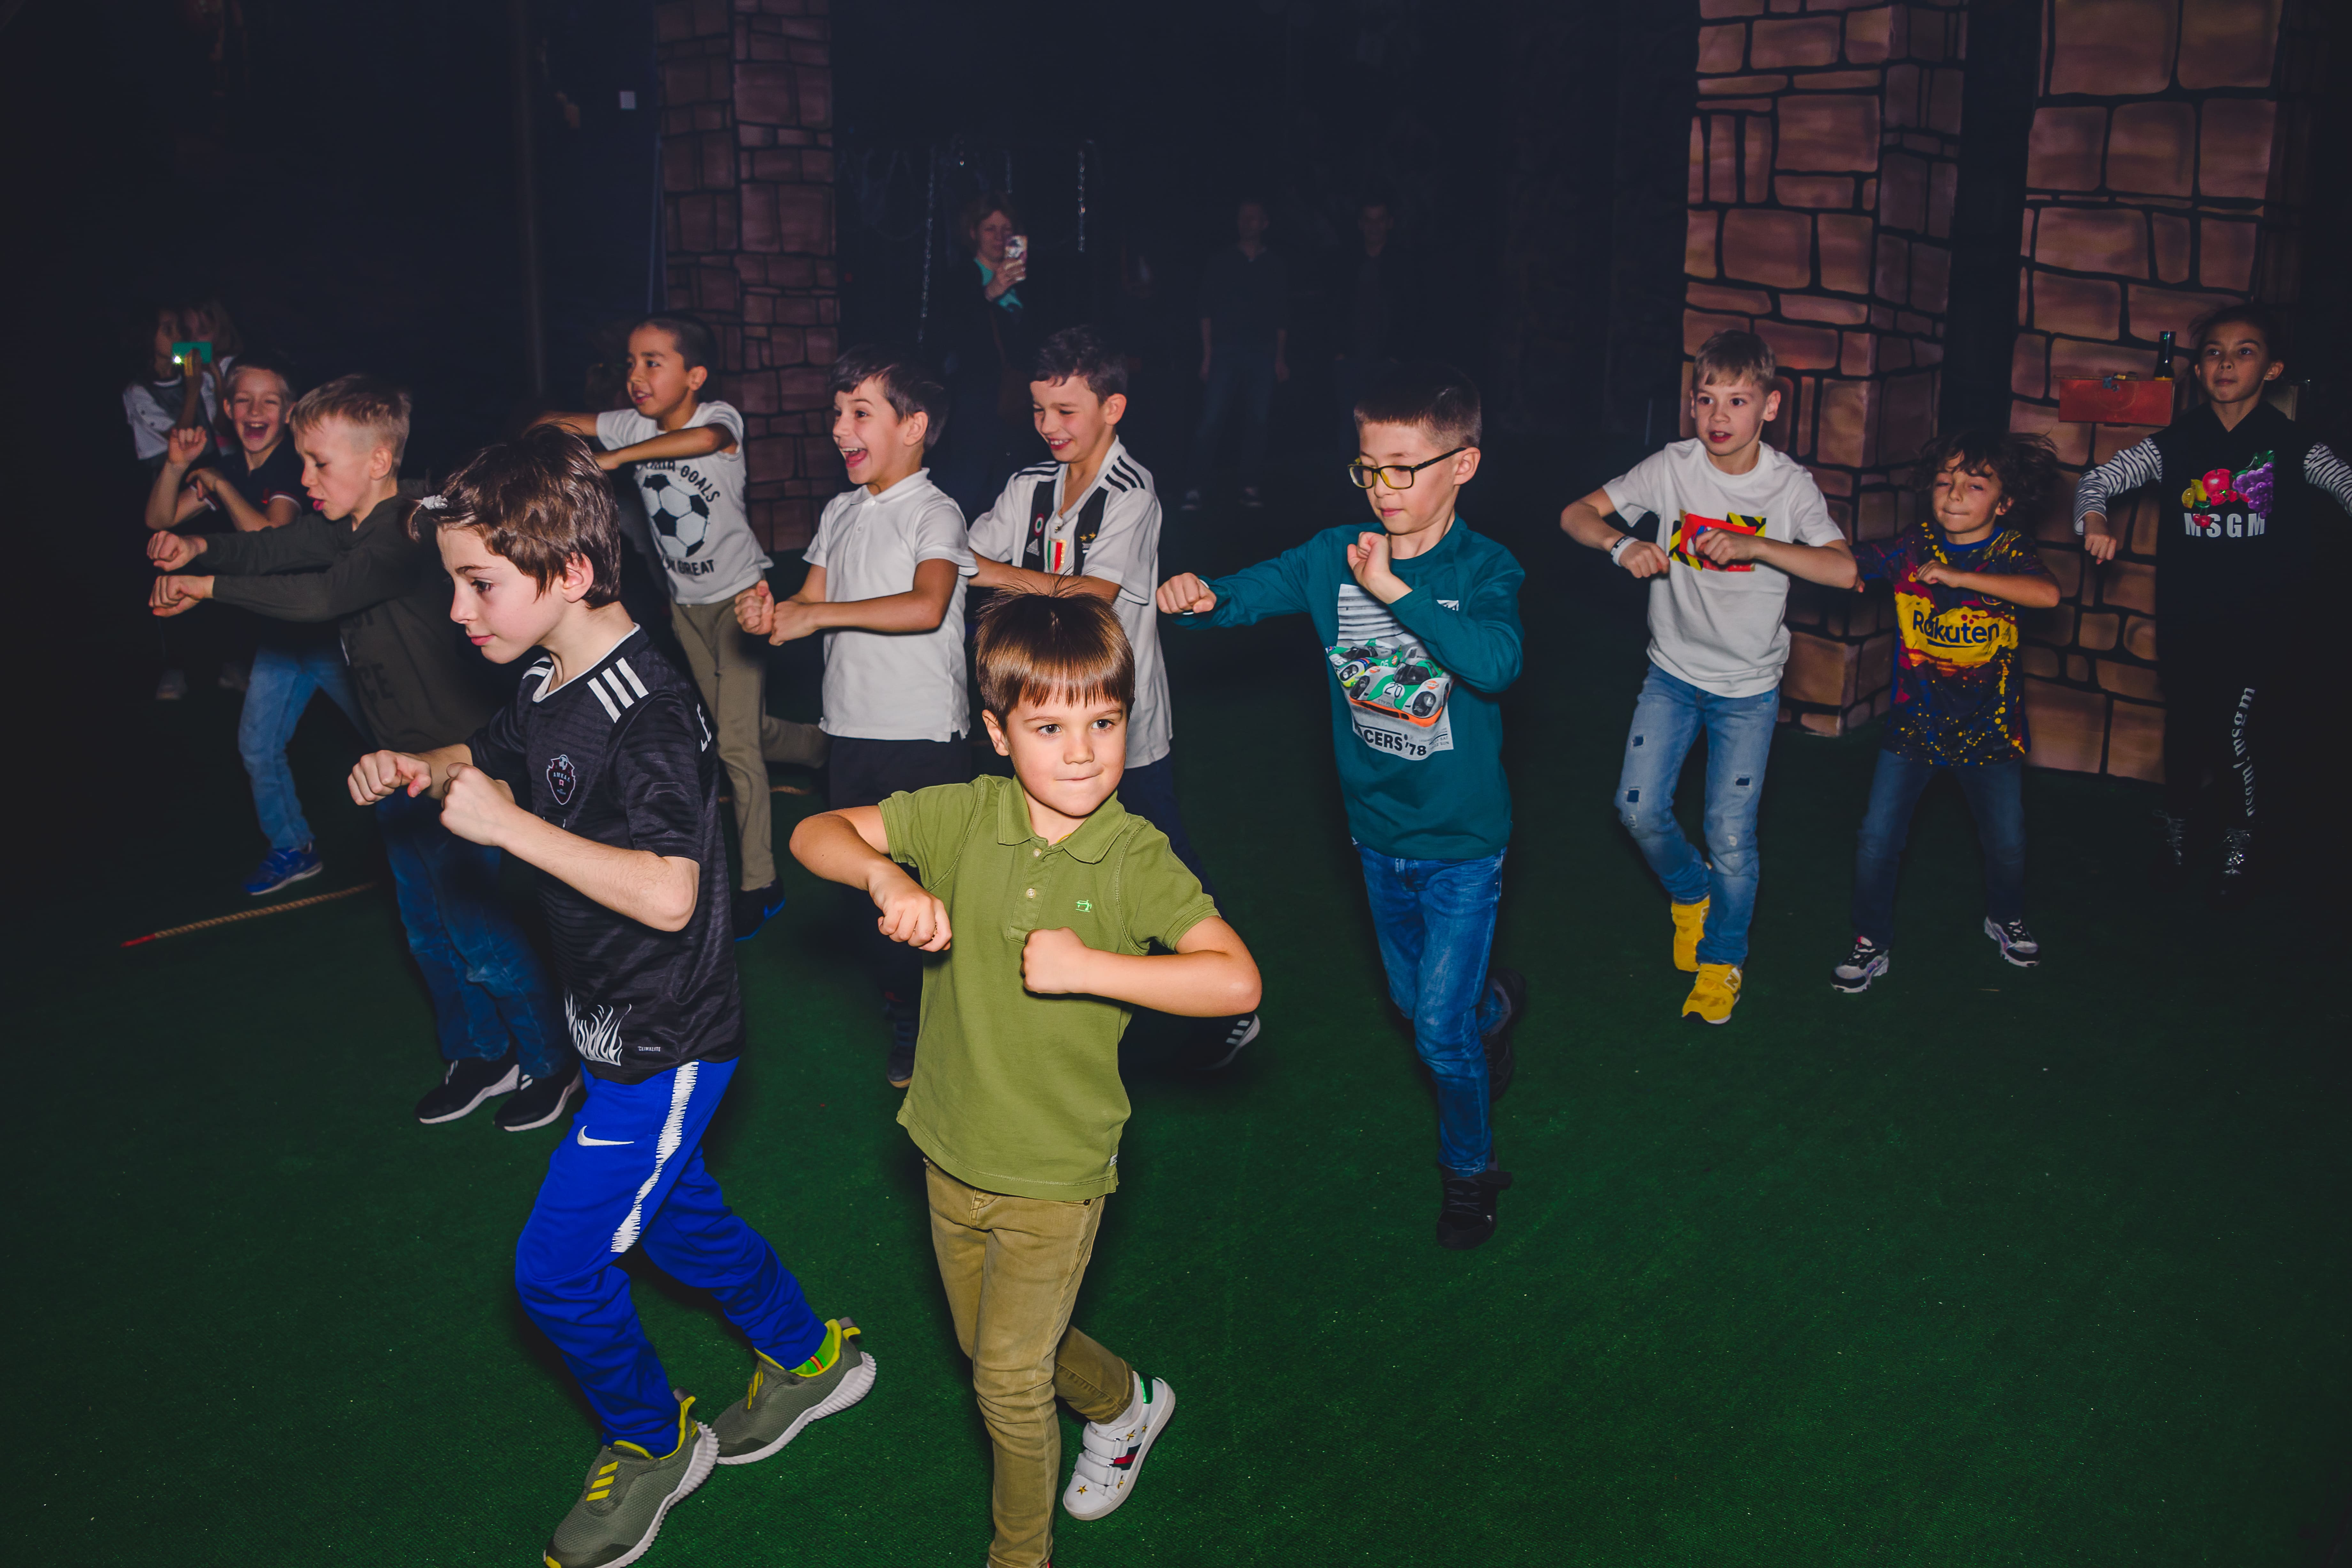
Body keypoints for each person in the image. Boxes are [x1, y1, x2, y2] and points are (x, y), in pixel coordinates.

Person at [353, 428, 872, 1568]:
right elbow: (483, 753)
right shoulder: (548, 680)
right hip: (609, 1029)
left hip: (667, 1043)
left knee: (554, 1272)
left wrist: (510, 829)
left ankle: (653, 1440)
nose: (459, 611)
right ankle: (811, 1355)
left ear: (572, 571)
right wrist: (420, 766)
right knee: (683, 1223)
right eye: (454, 585)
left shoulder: (650, 711)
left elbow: (674, 894)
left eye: (478, 584)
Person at [789, 589, 1260, 1568]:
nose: (1082, 752)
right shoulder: (961, 815)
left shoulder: (1135, 857)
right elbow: (816, 833)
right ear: (999, 733)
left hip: (1055, 1170)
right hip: (946, 1143)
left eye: (1104, 723)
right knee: (992, 1348)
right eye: (1050, 728)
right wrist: (887, 877)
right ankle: (1125, 1403)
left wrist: (1093, 968)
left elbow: (1234, 980)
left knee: (1005, 1381)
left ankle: (1019, 1555)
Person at [1157, 361, 1528, 1249]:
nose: (1383, 488)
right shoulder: (1334, 555)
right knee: (1415, 1004)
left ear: (1462, 466)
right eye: (1368, 467)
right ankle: (1492, 1011)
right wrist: (1201, 598)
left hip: (1463, 842)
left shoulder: (1484, 567)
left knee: (1436, 1036)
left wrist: (1396, 591)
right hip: (1374, 833)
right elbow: (1246, 595)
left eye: (1404, 468)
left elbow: (1496, 663)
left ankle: (1469, 1171)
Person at [148, 375, 573, 1129]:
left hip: (462, 769)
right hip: (395, 770)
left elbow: (322, 596)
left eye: (319, 463)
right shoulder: (345, 524)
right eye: (305, 464)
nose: (306, 479)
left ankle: (549, 1061)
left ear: (378, 460)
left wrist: (203, 585)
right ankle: (480, 1054)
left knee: (479, 932)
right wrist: (199, 543)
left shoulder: (408, 528)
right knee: (426, 930)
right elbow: (279, 546)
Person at [965, 326, 1262, 1068]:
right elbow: (966, 555)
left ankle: (1225, 1000)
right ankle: (1056, 985)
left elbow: (1090, 594)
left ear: (1113, 408)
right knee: (1050, 851)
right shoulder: (1029, 485)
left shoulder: (1133, 491)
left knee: (1163, 858)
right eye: (1039, 409)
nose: (1049, 425)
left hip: (1121, 724)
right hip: (1043, 713)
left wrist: (1000, 574)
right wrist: (1005, 572)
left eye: (1066, 410)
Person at [1558, 329, 1855, 1025]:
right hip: (1670, 674)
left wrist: (1758, 544)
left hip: (1747, 691)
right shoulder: (1673, 466)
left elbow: (1844, 569)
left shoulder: (1787, 486)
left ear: (1771, 406)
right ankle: (1691, 891)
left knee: (1730, 833)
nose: (1718, 416)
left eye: (1738, 401)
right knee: (1637, 810)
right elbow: (1575, 513)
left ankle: (1722, 961)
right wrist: (1621, 543)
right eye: (1706, 399)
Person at [537, 313, 826, 940]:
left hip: (742, 602)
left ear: (694, 377)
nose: (636, 375)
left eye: (653, 362)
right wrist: (537, 439)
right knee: (738, 727)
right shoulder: (632, 422)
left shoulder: (719, 419)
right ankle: (820, 747)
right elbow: (563, 422)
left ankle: (761, 884)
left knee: (735, 748)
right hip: (688, 606)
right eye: (631, 362)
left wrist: (617, 456)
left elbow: (704, 441)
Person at [737, 346, 972, 1087]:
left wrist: (816, 615)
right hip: (849, 733)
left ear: (914, 426)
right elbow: (805, 605)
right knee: (871, 890)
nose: (840, 428)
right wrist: (769, 614)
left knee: (933, 888)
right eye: (837, 413)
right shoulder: (840, 510)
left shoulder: (934, 511)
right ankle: (906, 1012)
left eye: (860, 413)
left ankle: (954, 1017)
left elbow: (927, 604)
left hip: (922, 737)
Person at [2077, 304, 2352, 904]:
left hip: (2262, 625)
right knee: (2185, 729)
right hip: (2186, 620)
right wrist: (2094, 519)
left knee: (2231, 733)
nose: (2227, 364)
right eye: (2214, 353)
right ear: (2199, 371)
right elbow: (2097, 481)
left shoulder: (2295, 446)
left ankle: (2240, 838)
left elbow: (2346, 485)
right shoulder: (2177, 443)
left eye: (2245, 352)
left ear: (2273, 369)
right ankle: (2177, 829)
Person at [1829, 432, 2062, 992]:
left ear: (2004, 502)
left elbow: (2047, 594)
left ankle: (2005, 916)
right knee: (1877, 839)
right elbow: (1846, 563)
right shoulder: (1913, 546)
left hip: (1992, 731)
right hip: (1914, 726)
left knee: (2007, 842)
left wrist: (1959, 577)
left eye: (1974, 485)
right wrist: (1763, 548)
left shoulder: (2010, 552)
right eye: (1943, 481)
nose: (1954, 494)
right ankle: (1870, 939)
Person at [149, 358, 367, 895]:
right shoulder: (231, 467)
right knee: (258, 746)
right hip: (281, 639)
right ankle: (293, 848)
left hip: (331, 635)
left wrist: (220, 486)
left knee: (386, 736)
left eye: (270, 400)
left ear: (288, 412)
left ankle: (448, 831)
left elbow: (270, 543)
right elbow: (160, 519)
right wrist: (177, 466)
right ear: (227, 409)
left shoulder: (293, 467)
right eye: (244, 399)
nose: (255, 410)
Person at [932, 191, 1038, 521]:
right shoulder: (959, 277)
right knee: (968, 489)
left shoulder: (1027, 281)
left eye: (1006, 229)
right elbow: (950, 337)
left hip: (1018, 401)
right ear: (974, 232)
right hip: (975, 405)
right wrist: (989, 294)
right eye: (990, 228)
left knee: (1011, 493)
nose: (999, 237)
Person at [1182, 197, 1290, 511]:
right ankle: (1194, 486)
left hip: (1262, 352)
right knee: (1211, 420)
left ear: (1265, 223)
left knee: (1258, 421)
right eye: (1243, 217)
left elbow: (1282, 315)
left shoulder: (1275, 265)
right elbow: (1205, 310)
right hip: (1225, 352)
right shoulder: (1221, 262)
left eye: (1254, 218)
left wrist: (1280, 358)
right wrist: (1207, 355)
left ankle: (1250, 486)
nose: (1247, 223)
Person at [1327, 195, 1413, 452]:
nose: (1374, 226)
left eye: (1380, 220)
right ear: (1361, 224)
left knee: (1387, 429)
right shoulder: (1347, 262)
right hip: (1351, 361)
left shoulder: (1402, 263)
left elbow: (1411, 310)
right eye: (1369, 220)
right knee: (1349, 429)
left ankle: (1380, 479)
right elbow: (1334, 307)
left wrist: (1397, 355)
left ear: (1389, 223)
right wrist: (1339, 351)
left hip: (1387, 362)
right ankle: (1347, 479)